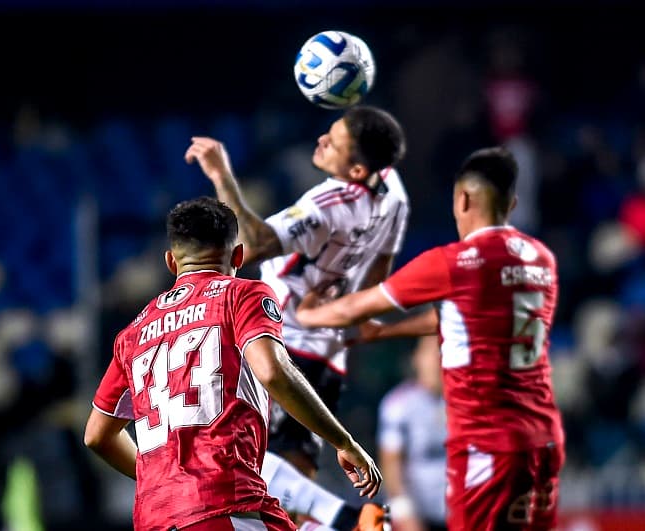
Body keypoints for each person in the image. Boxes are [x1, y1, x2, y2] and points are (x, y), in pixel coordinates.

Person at [296, 147, 565, 531]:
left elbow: (355, 307)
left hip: (486, 443)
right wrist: (386, 332)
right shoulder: (541, 259)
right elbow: (462, 318)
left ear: (464, 199)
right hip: (541, 439)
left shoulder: (455, 262)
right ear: (512, 203)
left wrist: (308, 313)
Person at [83, 197, 382, 531]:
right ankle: (351, 522)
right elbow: (271, 371)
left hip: (155, 518)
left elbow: (96, 436)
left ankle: (345, 521)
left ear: (171, 262)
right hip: (222, 504)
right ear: (237, 255)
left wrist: (160, 477)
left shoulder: (133, 333)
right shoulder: (241, 295)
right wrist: (344, 442)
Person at [184, 105, 408, 482]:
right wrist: (351, 314)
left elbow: (253, 245)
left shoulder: (327, 205)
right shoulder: (394, 194)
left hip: (281, 344)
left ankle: (351, 519)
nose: (321, 140)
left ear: (355, 171)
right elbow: (379, 267)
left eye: (334, 143)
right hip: (325, 352)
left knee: (255, 473)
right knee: (295, 473)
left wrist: (221, 175)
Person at [377, 335, 447, 531]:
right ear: (417, 358)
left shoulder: (469, 404)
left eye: (442, 353)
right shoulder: (400, 404)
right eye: (432, 353)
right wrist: (403, 511)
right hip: (416, 518)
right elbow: (391, 462)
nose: (437, 360)